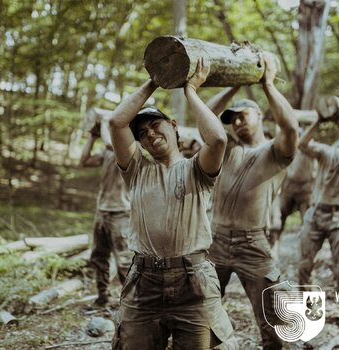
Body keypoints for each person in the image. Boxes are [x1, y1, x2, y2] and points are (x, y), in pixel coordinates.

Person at [109, 57, 237, 350]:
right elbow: (117, 122)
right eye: (142, 134)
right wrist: (156, 79)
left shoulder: (197, 169)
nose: (150, 134)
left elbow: (217, 138)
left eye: (155, 125)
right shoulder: (137, 170)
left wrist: (190, 90)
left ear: (173, 125)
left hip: (193, 282)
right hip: (144, 282)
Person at [207, 54, 299, 349]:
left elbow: (291, 128)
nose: (236, 121)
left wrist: (268, 85)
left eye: (242, 115)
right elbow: (205, 115)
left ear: (260, 116)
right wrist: (233, 84)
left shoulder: (275, 151)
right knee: (200, 310)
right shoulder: (225, 148)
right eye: (232, 118)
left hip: (252, 244)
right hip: (216, 240)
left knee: (272, 316)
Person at [297, 113, 339, 329]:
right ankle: (311, 310)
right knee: (304, 264)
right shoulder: (326, 152)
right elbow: (302, 144)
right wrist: (319, 120)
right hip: (316, 213)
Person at [80, 119, 131, 306]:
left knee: (124, 261)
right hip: (102, 211)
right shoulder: (107, 152)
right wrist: (91, 137)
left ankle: (132, 303)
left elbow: (111, 142)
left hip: (121, 212)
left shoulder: (128, 148)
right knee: (98, 256)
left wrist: (103, 120)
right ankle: (102, 296)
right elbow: (84, 161)